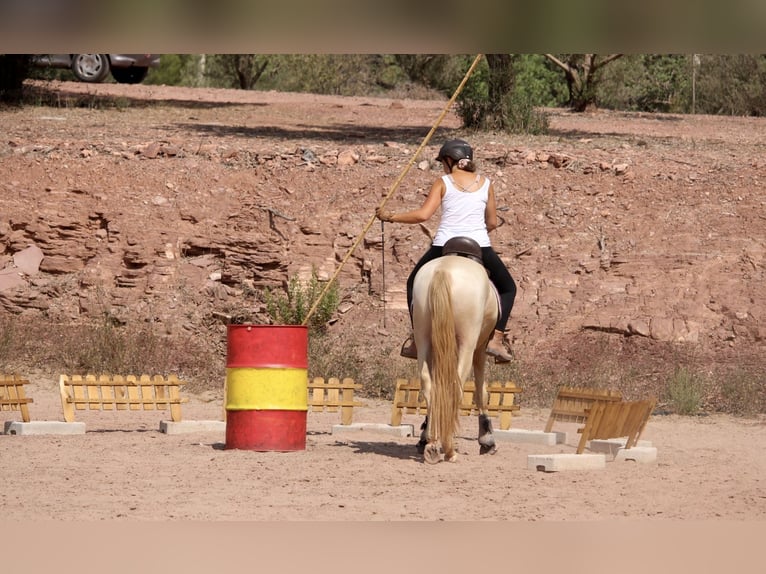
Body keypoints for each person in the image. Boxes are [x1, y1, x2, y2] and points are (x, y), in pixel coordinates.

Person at [376, 138, 516, 362]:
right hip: (479, 244)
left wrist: (390, 216)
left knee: (413, 282)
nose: (443, 165)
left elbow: (422, 215)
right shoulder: (487, 183)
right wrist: (477, 228)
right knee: (508, 287)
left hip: (444, 244)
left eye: (444, 161)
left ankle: (416, 341)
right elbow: (491, 222)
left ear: (451, 160)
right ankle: (497, 339)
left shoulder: (443, 182)